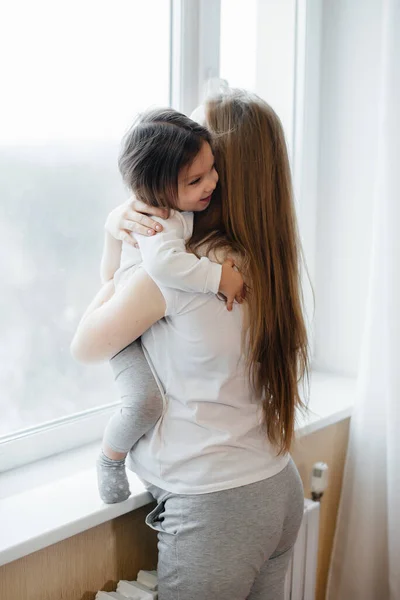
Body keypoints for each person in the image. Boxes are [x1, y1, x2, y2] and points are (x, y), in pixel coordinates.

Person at [71, 89, 308, 600]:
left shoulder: (177, 273)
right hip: (275, 483)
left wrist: (114, 234)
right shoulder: (260, 259)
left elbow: (87, 345)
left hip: (219, 506)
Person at [86, 107, 244, 503]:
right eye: (196, 179)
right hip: (126, 328)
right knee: (144, 402)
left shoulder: (180, 208)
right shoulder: (159, 222)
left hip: (136, 308)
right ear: (158, 191)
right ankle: (110, 457)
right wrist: (217, 277)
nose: (212, 182)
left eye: (212, 169)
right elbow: (165, 265)